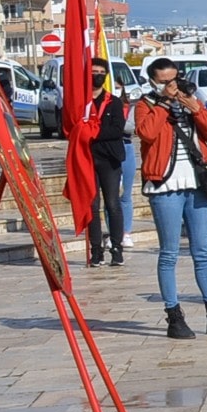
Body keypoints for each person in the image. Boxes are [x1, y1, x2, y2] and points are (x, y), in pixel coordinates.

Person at [133, 58, 207, 340]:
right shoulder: (146, 105)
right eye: (164, 82)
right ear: (153, 81)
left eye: (175, 80)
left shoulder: (190, 102)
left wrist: (197, 109)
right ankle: (174, 316)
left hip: (197, 185)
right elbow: (146, 134)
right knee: (170, 252)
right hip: (164, 186)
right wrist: (163, 104)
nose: (171, 86)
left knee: (203, 251)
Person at [86, 70, 129, 268]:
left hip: (110, 159)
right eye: (93, 72)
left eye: (101, 73)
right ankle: (96, 250)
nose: (97, 75)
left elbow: (117, 129)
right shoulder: (82, 103)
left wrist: (93, 133)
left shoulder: (114, 102)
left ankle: (116, 248)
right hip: (87, 159)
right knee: (92, 206)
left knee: (112, 204)